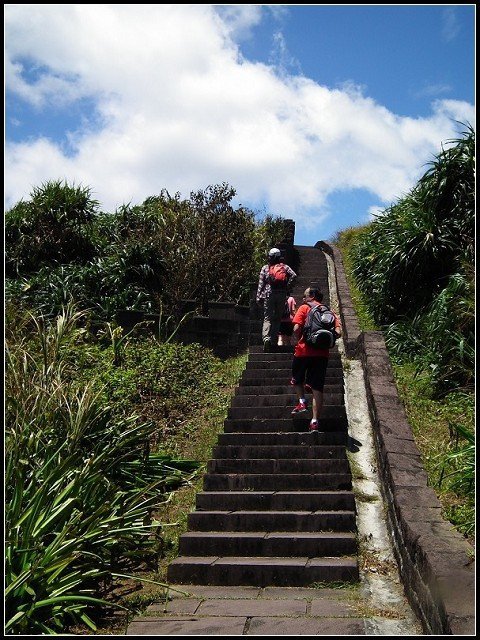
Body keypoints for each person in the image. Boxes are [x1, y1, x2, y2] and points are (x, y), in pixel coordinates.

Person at [290, 287, 342, 431]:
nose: (302, 298)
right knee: (317, 388)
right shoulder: (329, 312)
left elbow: (295, 329)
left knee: (296, 378)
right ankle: (314, 421)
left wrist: (302, 338)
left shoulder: (304, 308)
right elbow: (338, 332)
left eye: (304, 295)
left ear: (312, 296)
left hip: (303, 351)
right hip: (322, 355)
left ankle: (301, 402)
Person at [256, 248, 296, 352]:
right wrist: (287, 287)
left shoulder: (266, 268)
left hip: (269, 294)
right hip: (282, 294)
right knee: (277, 318)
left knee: (267, 318)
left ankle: (266, 339)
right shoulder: (285, 267)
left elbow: (261, 283)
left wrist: (258, 297)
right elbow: (294, 275)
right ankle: (273, 340)